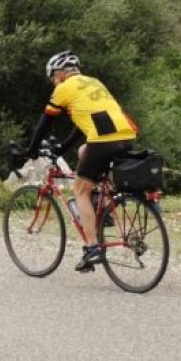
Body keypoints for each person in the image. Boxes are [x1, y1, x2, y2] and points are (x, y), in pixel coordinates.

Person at [26, 51, 137, 272]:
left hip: (103, 141)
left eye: (53, 77)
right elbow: (83, 123)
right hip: (126, 136)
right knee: (83, 151)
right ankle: (108, 212)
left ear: (59, 73)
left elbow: (45, 123)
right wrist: (62, 148)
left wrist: (31, 150)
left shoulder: (63, 88)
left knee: (79, 190)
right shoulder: (94, 82)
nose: (53, 81)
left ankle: (92, 248)